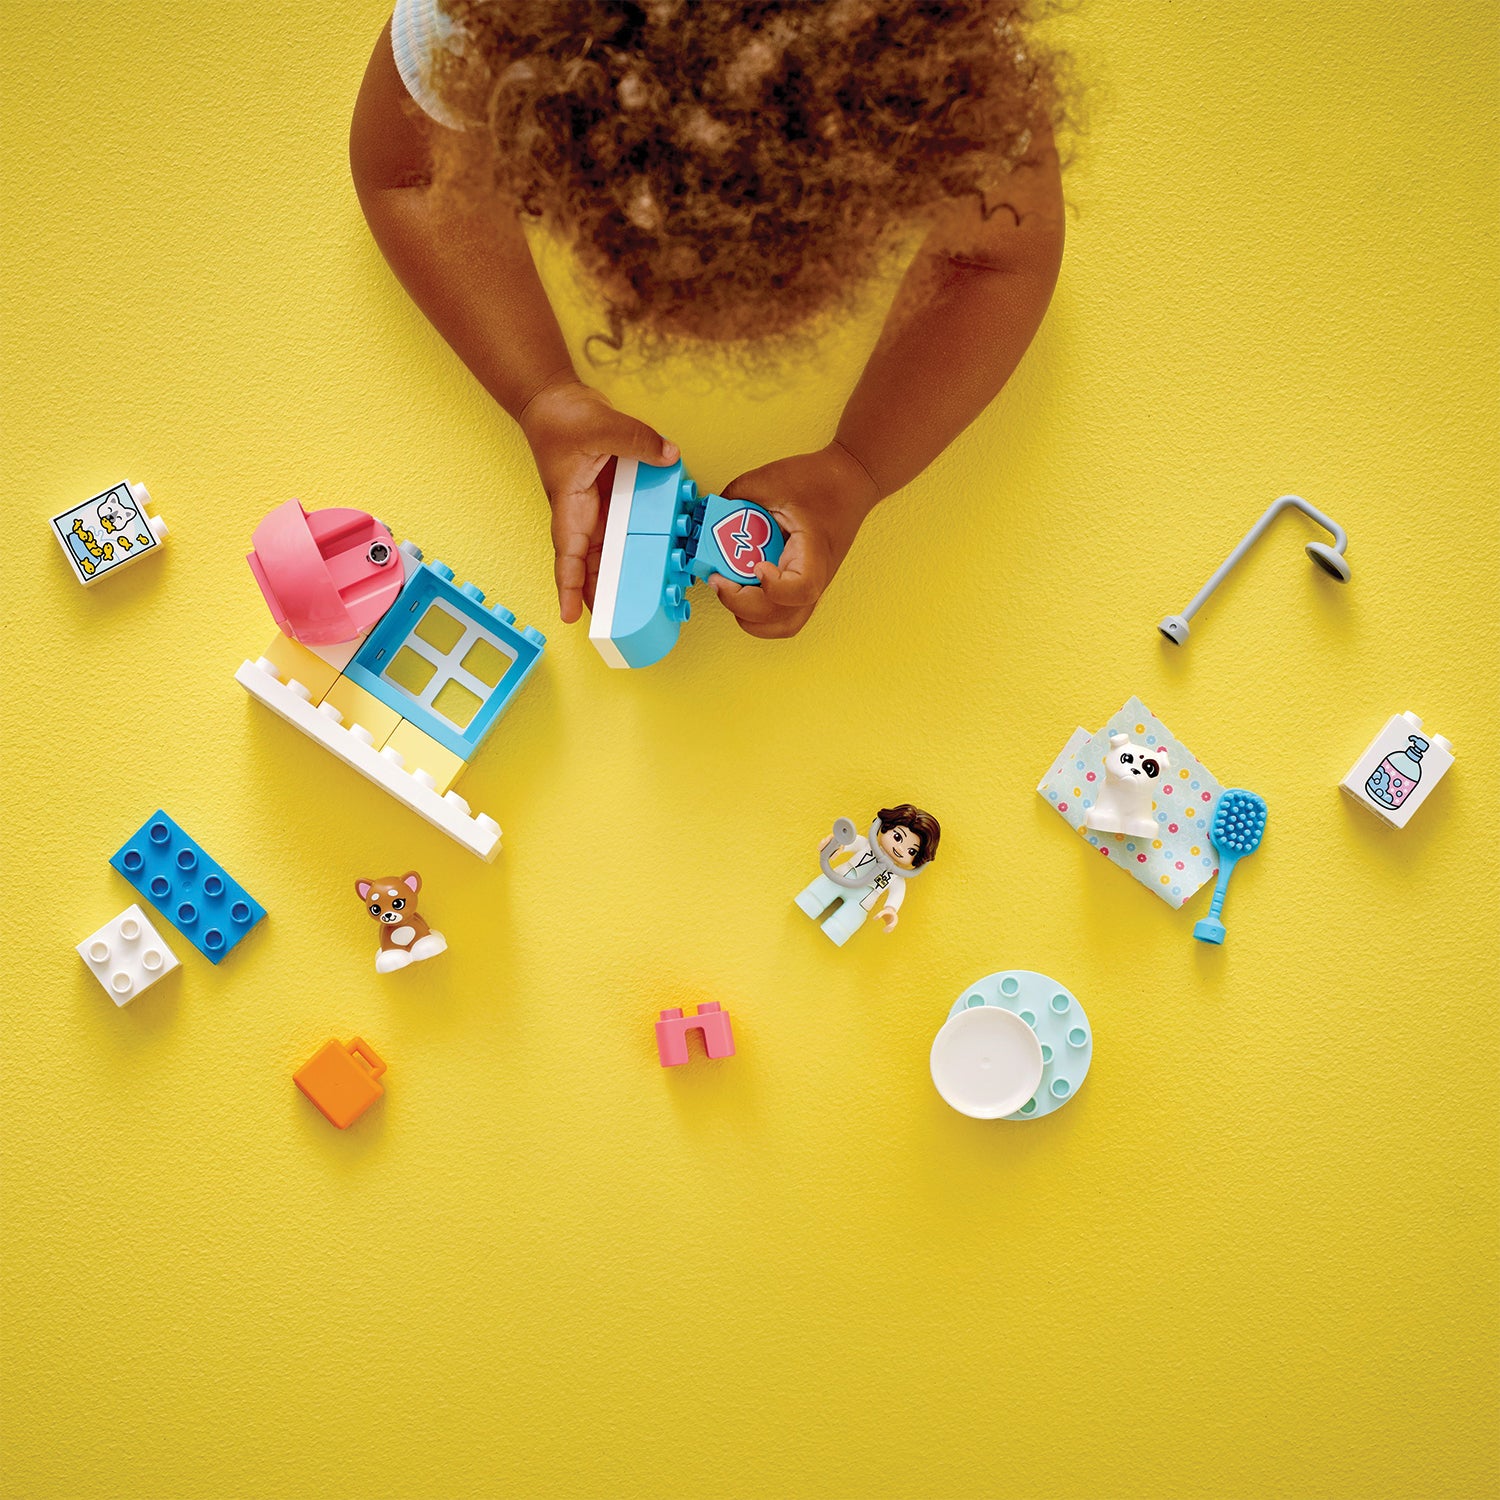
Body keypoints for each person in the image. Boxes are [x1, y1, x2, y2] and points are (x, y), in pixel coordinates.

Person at [350, 1, 1069, 639]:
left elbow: (994, 262)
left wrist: (860, 469)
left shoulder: (959, 78)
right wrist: (540, 392)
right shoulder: (478, 20)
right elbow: (413, 175)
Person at [795, 805, 941, 946]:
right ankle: (811, 900)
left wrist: (890, 910)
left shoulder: (897, 877)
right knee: (819, 893)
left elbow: (896, 894)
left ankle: (839, 928)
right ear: (885, 826)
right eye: (897, 837)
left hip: (860, 903)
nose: (901, 848)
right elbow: (847, 843)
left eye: (911, 851)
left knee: (843, 925)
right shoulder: (866, 845)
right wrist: (835, 845)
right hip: (839, 879)